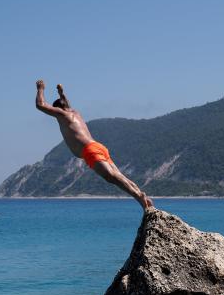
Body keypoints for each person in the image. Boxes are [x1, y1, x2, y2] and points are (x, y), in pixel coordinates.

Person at [35, 79, 154, 212]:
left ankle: (139, 197)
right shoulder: (75, 113)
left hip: (89, 150)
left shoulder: (62, 114)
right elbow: (66, 103)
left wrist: (40, 88)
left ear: (57, 109)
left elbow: (40, 104)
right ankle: (141, 195)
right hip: (98, 146)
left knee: (112, 176)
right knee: (118, 175)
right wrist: (61, 92)